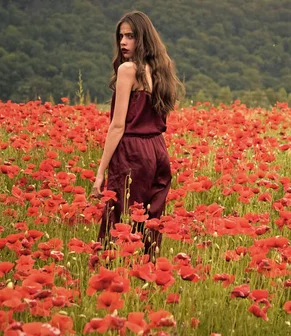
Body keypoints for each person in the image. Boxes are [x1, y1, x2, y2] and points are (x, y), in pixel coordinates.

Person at [91, 11, 184, 261]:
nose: (123, 42)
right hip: (157, 151)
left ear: (142, 39)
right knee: (150, 219)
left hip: (132, 152)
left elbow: (117, 126)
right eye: (121, 36)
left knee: (120, 216)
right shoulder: (159, 70)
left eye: (130, 36)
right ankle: (148, 270)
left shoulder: (128, 70)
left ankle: (113, 273)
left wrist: (101, 172)